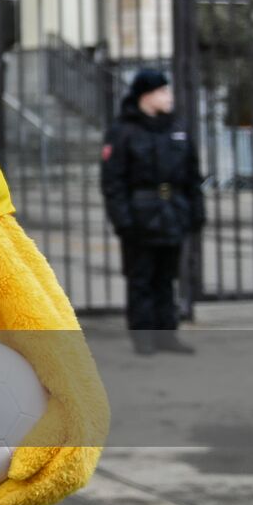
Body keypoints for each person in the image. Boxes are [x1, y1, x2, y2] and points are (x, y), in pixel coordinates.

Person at [101, 68, 205, 355]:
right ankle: (143, 335)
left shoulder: (177, 128)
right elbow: (113, 182)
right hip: (140, 215)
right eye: (163, 91)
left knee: (166, 276)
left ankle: (166, 334)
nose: (169, 97)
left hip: (173, 212)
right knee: (141, 277)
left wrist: (195, 212)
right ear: (146, 96)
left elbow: (192, 176)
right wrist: (123, 219)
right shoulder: (123, 132)